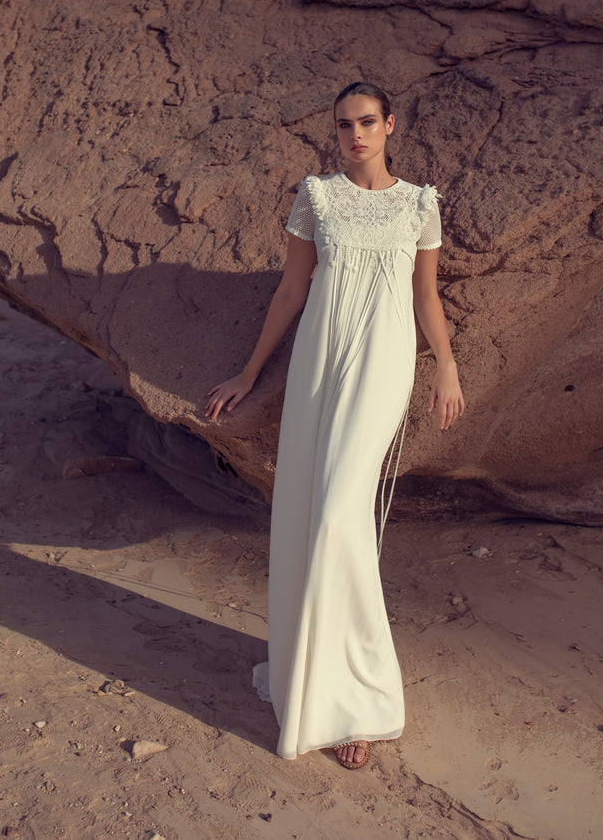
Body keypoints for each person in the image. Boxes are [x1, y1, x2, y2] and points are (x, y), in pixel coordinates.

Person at [204, 81, 464, 769]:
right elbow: (292, 289)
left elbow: (425, 294)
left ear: (390, 125)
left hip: (382, 361)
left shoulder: (419, 204)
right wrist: (250, 372)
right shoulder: (315, 196)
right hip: (321, 357)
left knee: (340, 514)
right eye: (345, 125)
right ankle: (315, 683)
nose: (355, 134)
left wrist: (447, 367)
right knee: (307, 513)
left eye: (368, 122)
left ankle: (366, 699)